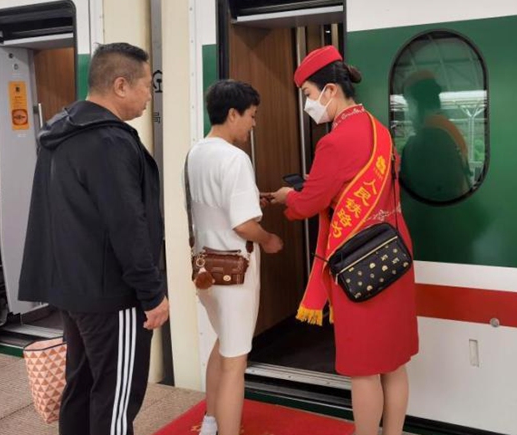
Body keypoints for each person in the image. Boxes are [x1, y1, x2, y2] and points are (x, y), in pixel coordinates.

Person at [18, 42, 169, 435]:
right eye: (145, 86)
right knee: (116, 399)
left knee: (81, 388)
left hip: (74, 290)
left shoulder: (62, 133)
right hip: (112, 295)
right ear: (120, 85)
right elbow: (127, 224)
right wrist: (151, 293)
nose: (147, 96)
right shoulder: (109, 142)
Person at [270, 46, 419, 435]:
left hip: (358, 266)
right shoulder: (379, 130)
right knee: (394, 364)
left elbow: (309, 204)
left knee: (363, 369)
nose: (308, 104)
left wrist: (290, 199)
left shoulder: (334, 142)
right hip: (394, 256)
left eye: (307, 94)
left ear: (330, 90)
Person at [187, 80, 284, 435]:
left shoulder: (196, 152)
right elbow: (243, 225)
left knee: (223, 344)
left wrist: (249, 199)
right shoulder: (235, 158)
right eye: (252, 116)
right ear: (232, 114)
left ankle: (211, 423)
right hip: (235, 274)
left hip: (205, 271)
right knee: (235, 362)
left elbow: (212, 205)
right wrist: (269, 239)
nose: (253, 124)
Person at [400, 70, 471, 202]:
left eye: (409, 105)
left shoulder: (430, 138)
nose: (409, 115)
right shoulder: (447, 129)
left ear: (416, 104)